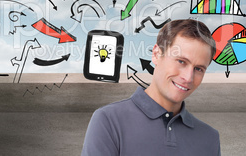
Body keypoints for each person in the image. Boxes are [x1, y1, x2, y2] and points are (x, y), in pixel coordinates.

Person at [81, 19, 221, 155]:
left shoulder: (210, 138)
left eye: (198, 69)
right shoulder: (109, 121)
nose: (188, 77)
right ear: (156, 54)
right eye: (181, 61)